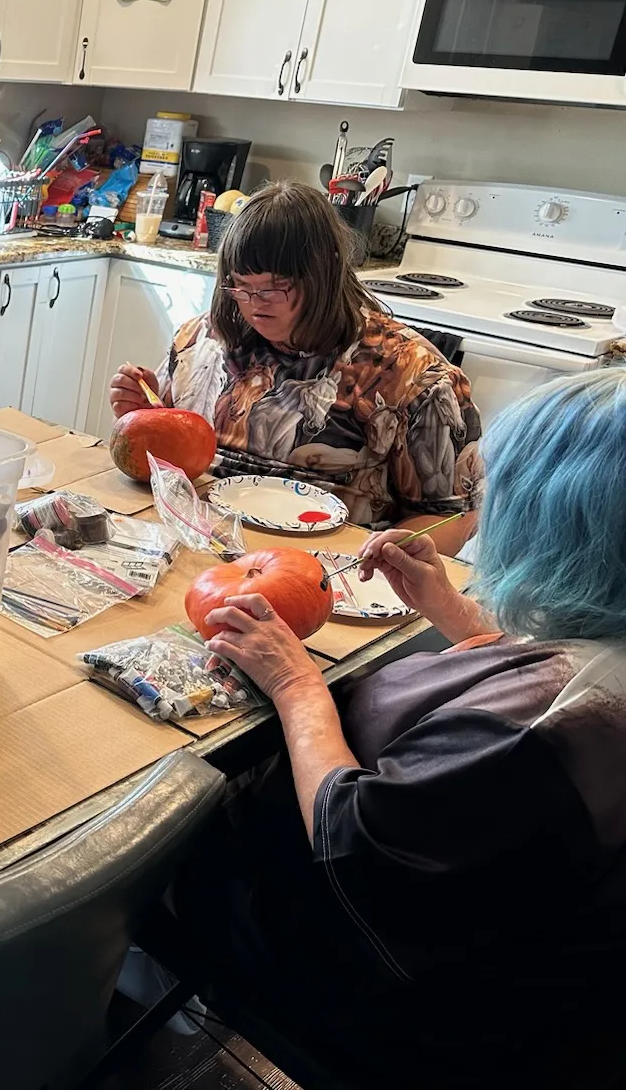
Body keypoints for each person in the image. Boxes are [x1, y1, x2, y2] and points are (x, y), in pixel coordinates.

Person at [153, 368, 626, 1087]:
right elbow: (543, 672)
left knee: (142, 830)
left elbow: (354, 840)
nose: (483, 507)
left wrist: (294, 682)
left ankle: (118, 985)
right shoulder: (602, 663)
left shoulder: (549, 735)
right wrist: (454, 613)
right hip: (533, 966)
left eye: (495, 494)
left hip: (409, 1003)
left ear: (568, 527)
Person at [109, 181, 481, 555]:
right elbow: (167, 466)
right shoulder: (200, 341)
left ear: (324, 275)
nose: (255, 304)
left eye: (275, 287)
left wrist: (382, 563)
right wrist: (142, 418)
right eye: (240, 286)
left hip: (324, 568)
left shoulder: (411, 374)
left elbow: (452, 517)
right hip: (195, 544)